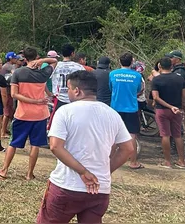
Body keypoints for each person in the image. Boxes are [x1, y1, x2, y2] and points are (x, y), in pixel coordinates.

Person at [36, 70, 135, 224]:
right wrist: (104, 171)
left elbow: (55, 146)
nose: (67, 93)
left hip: (67, 185)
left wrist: (83, 172)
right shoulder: (112, 114)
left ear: (77, 91)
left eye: (68, 89)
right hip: (99, 189)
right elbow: (128, 149)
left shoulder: (65, 111)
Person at [0, 47, 57, 181]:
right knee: (35, 145)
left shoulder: (18, 73)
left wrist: (34, 100)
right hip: (40, 114)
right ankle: (29, 174)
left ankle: (4, 170)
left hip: (23, 114)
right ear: (37, 57)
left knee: (13, 143)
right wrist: (42, 60)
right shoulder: (43, 73)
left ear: (24, 58)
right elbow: (54, 61)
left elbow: (14, 94)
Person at [150, 57, 185, 168]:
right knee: (177, 135)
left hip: (162, 110)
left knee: (165, 135)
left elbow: (155, 97)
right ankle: (182, 161)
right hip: (177, 110)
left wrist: (169, 106)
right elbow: (184, 96)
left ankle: (167, 162)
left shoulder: (156, 80)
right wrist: (179, 107)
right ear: (172, 66)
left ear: (160, 67)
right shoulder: (180, 79)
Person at [109, 52, 144, 169]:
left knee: (113, 135)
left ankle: (108, 161)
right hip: (131, 108)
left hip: (115, 108)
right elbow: (139, 90)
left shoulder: (113, 74)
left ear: (119, 62)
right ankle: (133, 162)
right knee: (132, 135)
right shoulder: (137, 76)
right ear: (132, 62)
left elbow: (111, 88)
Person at [48, 44, 85, 128]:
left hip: (59, 98)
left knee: (58, 124)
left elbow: (44, 80)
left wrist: (49, 93)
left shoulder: (55, 66)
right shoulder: (78, 67)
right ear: (73, 53)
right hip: (74, 98)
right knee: (74, 124)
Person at [0, 52, 20, 136]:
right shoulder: (10, 66)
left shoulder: (5, 66)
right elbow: (15, 75)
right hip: (8, 91)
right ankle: (3, 132)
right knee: (7, 112)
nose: (16, 59)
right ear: (11, 59)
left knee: (8, 111)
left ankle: (4, 130)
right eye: (15, 58)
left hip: (6, 90)